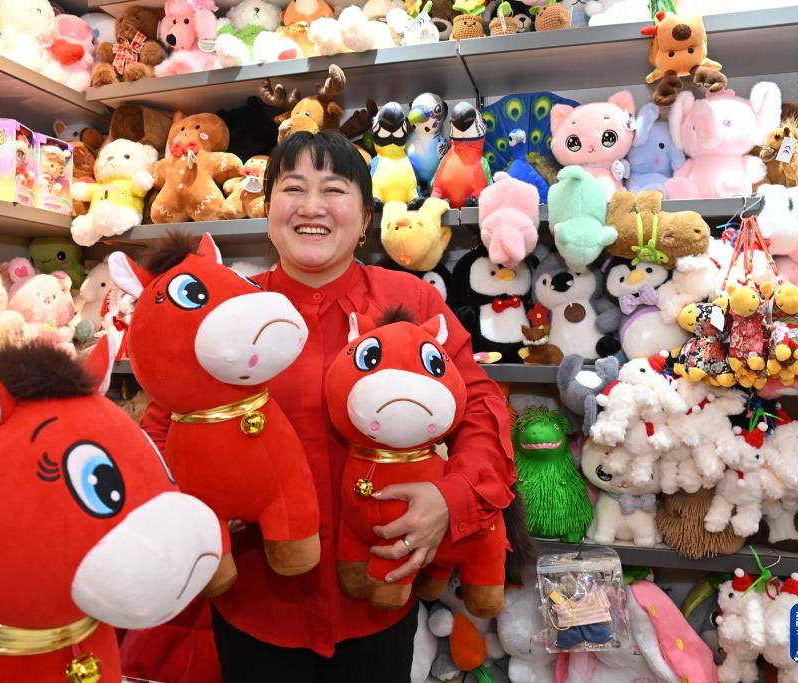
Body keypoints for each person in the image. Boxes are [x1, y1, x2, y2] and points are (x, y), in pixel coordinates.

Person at [137, 130, 516, 683]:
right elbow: (161, 426)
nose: (311, 207)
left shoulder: (411, 301)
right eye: (293, 188)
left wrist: (449, 497)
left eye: (334, 189)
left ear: (365, 218)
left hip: (380, 594)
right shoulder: (225, 309)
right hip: (255, 601)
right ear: (268, 210)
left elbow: (481, 408)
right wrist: (186, 503)